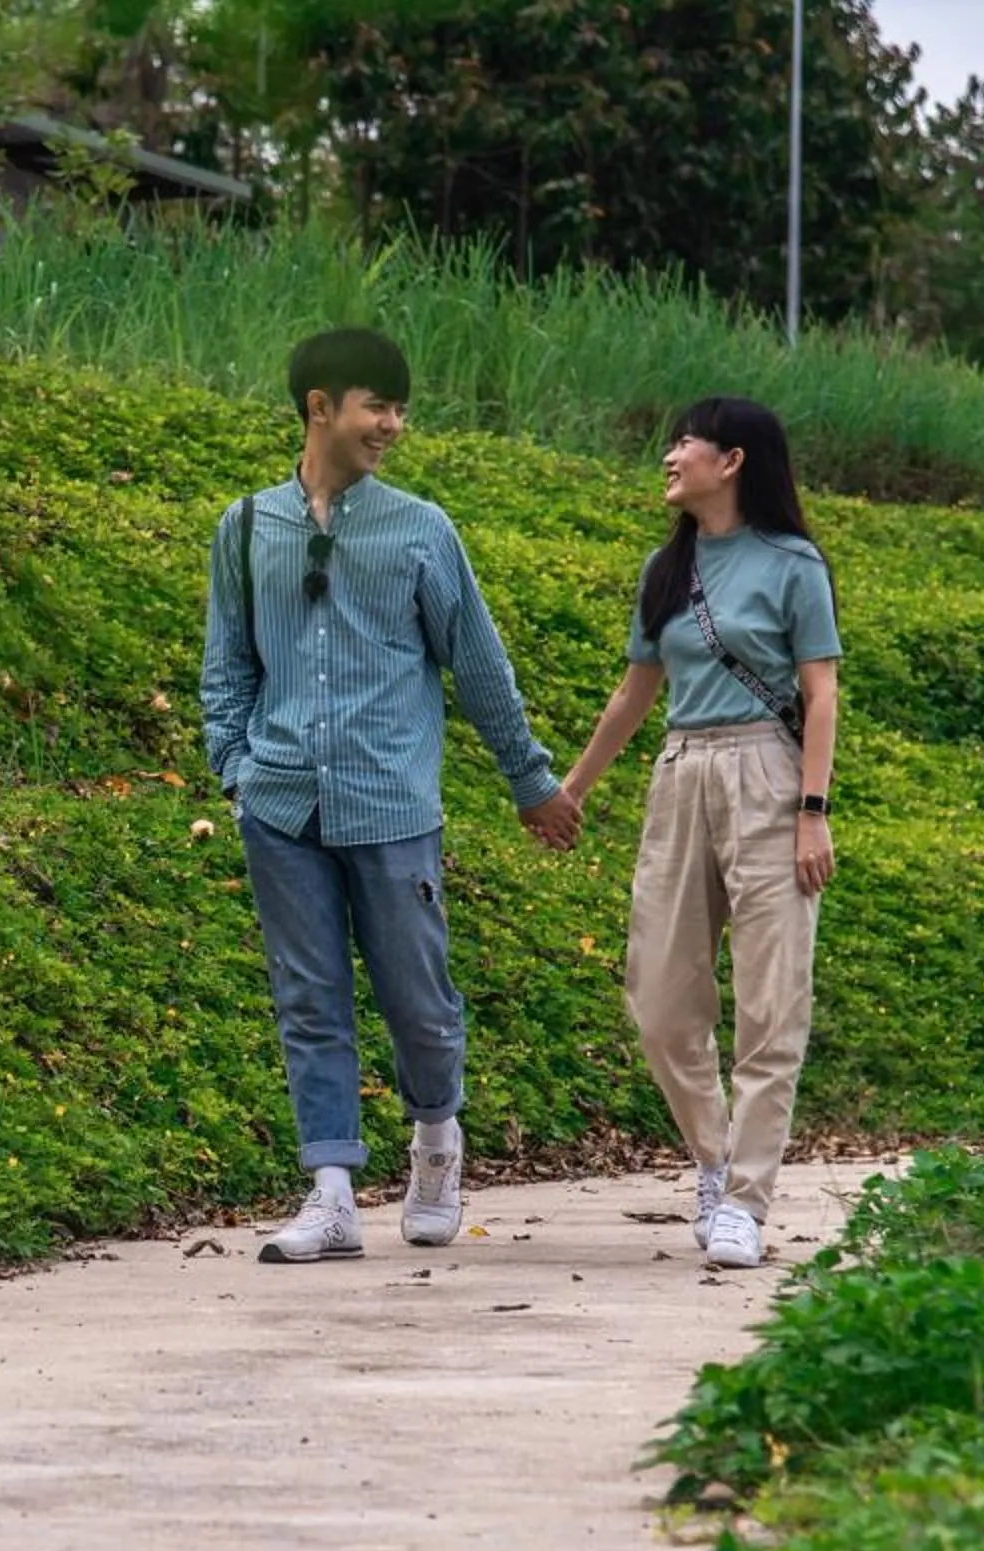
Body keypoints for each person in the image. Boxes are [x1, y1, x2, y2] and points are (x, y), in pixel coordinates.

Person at [201, 326, 582, 1265]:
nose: (394, 425)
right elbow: (227, 668)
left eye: (400, 407)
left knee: (419, 999)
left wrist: (530, 780)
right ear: (319, 407)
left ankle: (436, 1147)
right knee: (309, 998)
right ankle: (331, 1194)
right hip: (281, 804)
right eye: (378, 405)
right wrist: (236, 770)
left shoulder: (421, 529)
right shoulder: (246, 527)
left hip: (392, 806)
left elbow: (478, 666)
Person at [557, 396, 841, 1270]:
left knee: (771, 1001)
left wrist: (812, 813)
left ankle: (746, 1201)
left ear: (734, 461)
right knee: (658, 998)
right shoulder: (663, 569)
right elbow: (633, 694)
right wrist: (568, 790)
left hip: (767, 771)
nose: (670, 455)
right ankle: (714, 1160)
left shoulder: (794, 565)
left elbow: (822, 693)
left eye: (685, 442)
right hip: (680, 772)